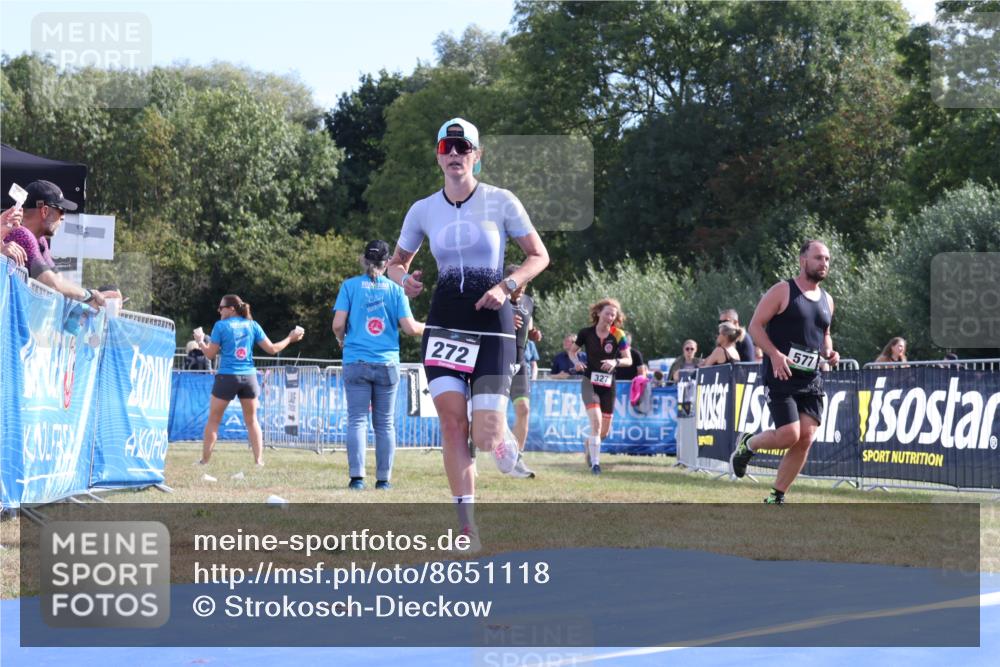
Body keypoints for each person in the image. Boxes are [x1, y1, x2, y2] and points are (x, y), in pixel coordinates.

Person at [386, 117, 549, 547]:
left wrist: (507, 286)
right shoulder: (423, 209)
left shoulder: (501, 200)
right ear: (439, 156)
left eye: (464, 148)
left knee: (486, 435)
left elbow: (538, 256)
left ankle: (501, 439)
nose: (455, 154)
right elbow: (395, 264)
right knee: (452, 424)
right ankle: (466, 526)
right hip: (445, 324)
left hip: (492, 325)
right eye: (448, 148)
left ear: (477, 155)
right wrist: (405, 282)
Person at [730, 240, 840, 504]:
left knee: (806, 438)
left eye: (827, 259)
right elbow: (755, 326)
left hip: (810, 378)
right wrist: (775, 354)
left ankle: (776, 496)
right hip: (781, 374)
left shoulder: (827, 300)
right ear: (803, 261)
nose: (824, 263)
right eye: (818, 258)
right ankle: (748, 444)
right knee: (789, 435)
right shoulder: (783, 290)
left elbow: (824, 333)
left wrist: (829, 352)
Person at [332, 239, 424, 491]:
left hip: (356, 361)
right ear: (387, 263)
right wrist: (432, 327)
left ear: (364, 260)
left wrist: (342, 340)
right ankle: (383, 480)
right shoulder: (396, 290)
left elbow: (338, 325)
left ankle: (357, 478)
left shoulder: (349, 286)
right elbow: (410, 328)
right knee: (384, 424)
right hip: (387, 363)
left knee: (357, 420)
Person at [194, 294, 305, 466]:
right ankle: (259, 462)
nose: (219, 310)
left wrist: (200, 341)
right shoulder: (253, 325)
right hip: (249, 378)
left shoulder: (220, 326)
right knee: (252, 421)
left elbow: (209, 354)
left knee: (214, 420)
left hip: (227, 376)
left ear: (231, 309)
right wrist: (290, 338)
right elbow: (273, 349)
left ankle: (204, 461)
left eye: (221, 307)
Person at [1, 181, 119, 308]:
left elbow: (58, 279)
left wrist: (91, 294)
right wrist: (89, 295)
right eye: (61, 210)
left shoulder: (40, 241)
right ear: (44, 211)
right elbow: (51, 283)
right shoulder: (21, 234)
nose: (63, 217)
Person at [570, 297, 632, 475]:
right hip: (589, 383)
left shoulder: (618, 334)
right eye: (607, 313)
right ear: (598, 313)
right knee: (596, 423)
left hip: (608, 386)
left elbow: (628, 360)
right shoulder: (585, 333)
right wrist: (576, 362)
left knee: (604, 431)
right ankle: (596, 465)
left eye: (613, 315)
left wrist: (615, 362)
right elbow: (572, 352)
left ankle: (589, 444)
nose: (610, 317)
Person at [506, 263, 542, 479]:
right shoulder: (496, 299)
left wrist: (534, 333)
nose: (520, 289)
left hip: (520, 363)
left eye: (524, 284)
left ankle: (516, 460)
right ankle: (470, 454)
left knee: (524, 409)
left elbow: (528, 328)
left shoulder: (528, 301)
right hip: (497, 364)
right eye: (516, 284)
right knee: (488, 415)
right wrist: (503, 321)